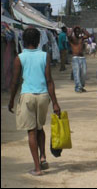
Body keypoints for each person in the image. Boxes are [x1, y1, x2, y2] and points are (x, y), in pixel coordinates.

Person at [8, 28, 61, 176]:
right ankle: (43, 156)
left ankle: (37, 168)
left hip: (27, 96)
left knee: (31, 131)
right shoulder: (45, 56)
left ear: (23, 41)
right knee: (40, 128)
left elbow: (15, 82)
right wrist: (55, 103)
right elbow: (49, 80)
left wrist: (11, 100)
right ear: (39, 41)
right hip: (43, 96)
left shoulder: (19, 57)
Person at [68, 26, 90, 93]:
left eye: (78, 31)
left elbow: (88, 35)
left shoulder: (81, 38)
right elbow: (68, 36)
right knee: (76, 73)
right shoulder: (72, 39)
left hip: (82, 58)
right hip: (75, 58)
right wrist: (72, 29)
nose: (77, 32)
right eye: (76, 31)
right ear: (74, 32)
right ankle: (78, 87)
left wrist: (83, 30)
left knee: (84, 73)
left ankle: (81, 86)